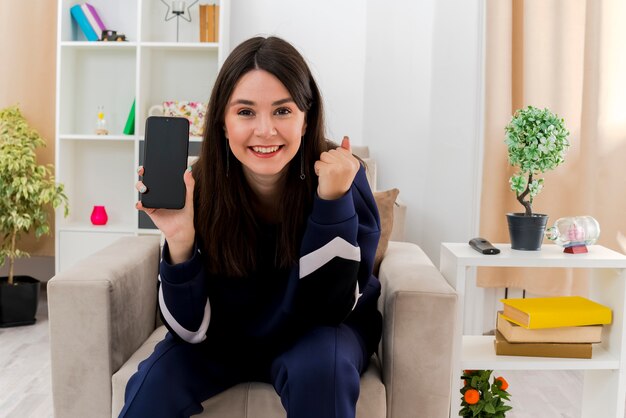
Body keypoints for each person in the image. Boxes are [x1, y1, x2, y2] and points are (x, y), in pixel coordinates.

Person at [120, 36, 382, 418]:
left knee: (322, 372)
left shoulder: (342, 178)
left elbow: (331, 309)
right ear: (223, 123)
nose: (264, 130)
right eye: (245, 112)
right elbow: (188, 331)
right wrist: (180, 240)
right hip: (221, 338)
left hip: (316, 333)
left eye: (282, 111)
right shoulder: (199, 185)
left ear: (306, 119)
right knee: (151, 389)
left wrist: (332, 202)